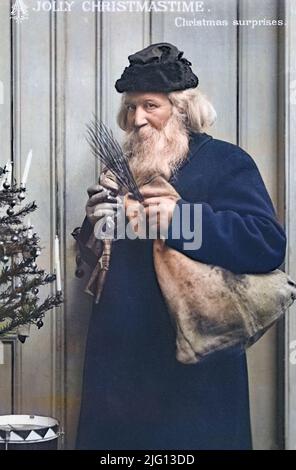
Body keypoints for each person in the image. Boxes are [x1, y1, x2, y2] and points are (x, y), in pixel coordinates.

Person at [74, 43, 286, 450]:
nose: (137, 119)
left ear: (181, 108)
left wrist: (182, 218)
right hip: (119, 365)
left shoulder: (226, 161)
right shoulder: (119, 168)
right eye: (131, 107)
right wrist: (92, 225)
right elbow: (102, 259)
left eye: (150, 105)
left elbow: (266, 244)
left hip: (192, 371)